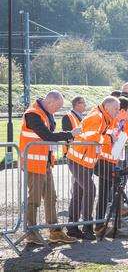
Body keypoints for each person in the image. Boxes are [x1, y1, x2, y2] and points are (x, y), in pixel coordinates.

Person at [19, 90, 79, 245]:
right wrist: (69, 134)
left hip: (44, 163)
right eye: (57, 107)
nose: (57, 111)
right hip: (33, 163)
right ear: (50, 102)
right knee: (34, 199)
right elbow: (47, 136)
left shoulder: (46, 113)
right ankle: (31, 231)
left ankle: (55, 232)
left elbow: (49, 136)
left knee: (51, 197)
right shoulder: (33, 114)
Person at [66, 96, 120, 240]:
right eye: (116, 108)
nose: (118, 111)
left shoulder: (105, 117)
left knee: (79, 192)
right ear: (107, 107)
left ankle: (72, 227)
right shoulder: (97, 117)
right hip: (78, 159)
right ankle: (87, 227)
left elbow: (100, 135)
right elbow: (91, 136)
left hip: (86, 161)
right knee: (90, 189)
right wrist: (109, 139)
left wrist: (110, 136)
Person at [94, 97, 128, 237]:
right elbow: (109, 137)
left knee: (109, 192)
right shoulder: (111, 119)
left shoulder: (122, 121)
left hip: (113, 159)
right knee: (106, 193)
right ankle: (101, 224)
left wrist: (124, 136)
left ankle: (108, 222)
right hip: (104, 160)